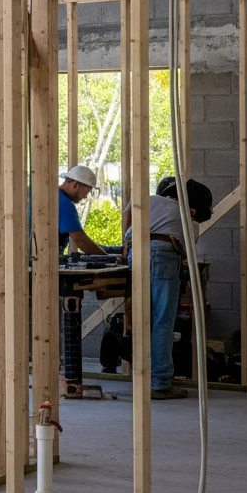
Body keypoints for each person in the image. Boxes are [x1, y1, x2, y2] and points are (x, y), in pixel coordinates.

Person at [122, 176, 214, 400]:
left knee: (143, 318)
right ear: (193, 209)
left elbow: (128, 214)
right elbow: (188, 256)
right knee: (163, 321)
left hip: (135, 254)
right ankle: (160, 382)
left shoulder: (148, 199)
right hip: (163, 255)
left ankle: (142, 379)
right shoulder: (188, 221)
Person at [58, 165, 106, 258]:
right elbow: (80, 240)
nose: (85, 197)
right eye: (86, 192)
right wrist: (107, 257)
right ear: (75, 185)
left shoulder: (55, 197)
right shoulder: (64, 203)